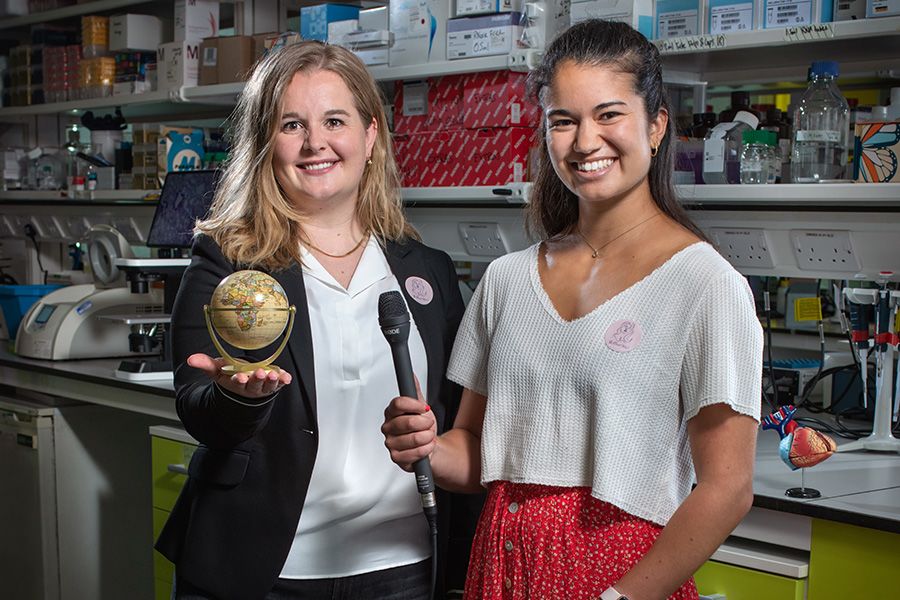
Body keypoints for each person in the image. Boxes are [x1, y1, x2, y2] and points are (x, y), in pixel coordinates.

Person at [382, 20, 763, 600]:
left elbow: (727, 490)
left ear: (656, 125)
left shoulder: (706, 285)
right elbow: (479, 452)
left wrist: (618, 599)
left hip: (622, 578)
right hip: (503, 565)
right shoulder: (506, 280)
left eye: (609, 115)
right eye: (563, 121)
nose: (585, 142)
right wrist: (427, 446)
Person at [155, 41, 470, 600]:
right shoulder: (228, 263)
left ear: (370, 136)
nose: (315, 142)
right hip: (265, 569)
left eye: (334, 121)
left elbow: (463, 420)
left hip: (402, 566)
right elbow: (200, 411)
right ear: (266, 143)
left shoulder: (428, 272)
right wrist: (238, 398)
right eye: (292, 124)